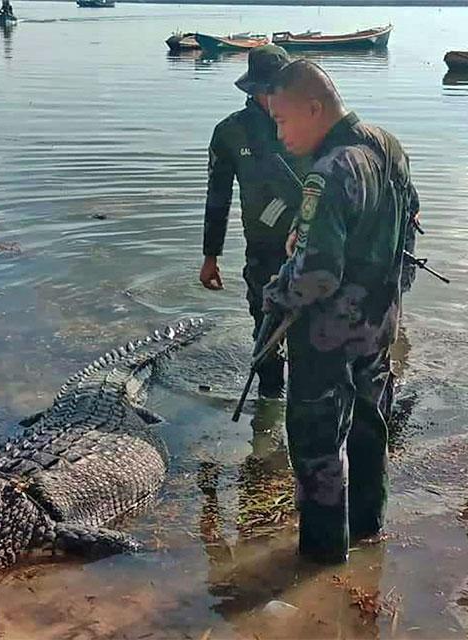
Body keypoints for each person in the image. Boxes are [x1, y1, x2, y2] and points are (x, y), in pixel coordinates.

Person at [264, 59, 420, 564]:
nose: (279, 133)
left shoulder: (328, 172)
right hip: (380, 323)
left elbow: (316, 276)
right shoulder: (388, 144)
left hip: (328, 337)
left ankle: (323, 555)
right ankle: (369, 529)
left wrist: (275, 296)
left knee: (316, 445)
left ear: (315, 108)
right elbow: (409, 219)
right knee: (371, 428)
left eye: (283, 120)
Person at [200, 45, 309, 398]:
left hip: (317, 245)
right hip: (263, 250)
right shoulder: (231, 132)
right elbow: (218, 197)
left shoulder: (311, 122)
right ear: (255, 90)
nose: (278, 97)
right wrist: (211, 256)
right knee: (265, 333)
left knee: (316, 336)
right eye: (271, 89)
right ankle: (267, 415)